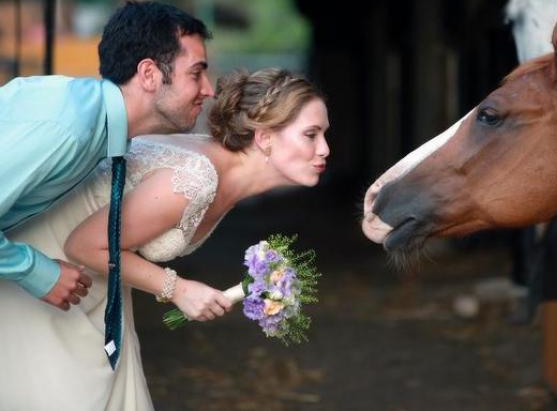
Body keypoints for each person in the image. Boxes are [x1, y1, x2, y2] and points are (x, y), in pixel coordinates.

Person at [0, 68, 330, 411]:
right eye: (311, 134)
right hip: (49, 270)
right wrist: (178, 289)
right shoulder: (196, 178)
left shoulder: (228, 174)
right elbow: (84, 245)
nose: (324, 149)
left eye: (324, 134)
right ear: (264, 138)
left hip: (97, 285)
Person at [0, 0, 214, 312]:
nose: (208, 89)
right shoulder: (70, 127)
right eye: (196, 73)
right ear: (149, 74)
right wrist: (35, 271)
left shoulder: (97, 126)